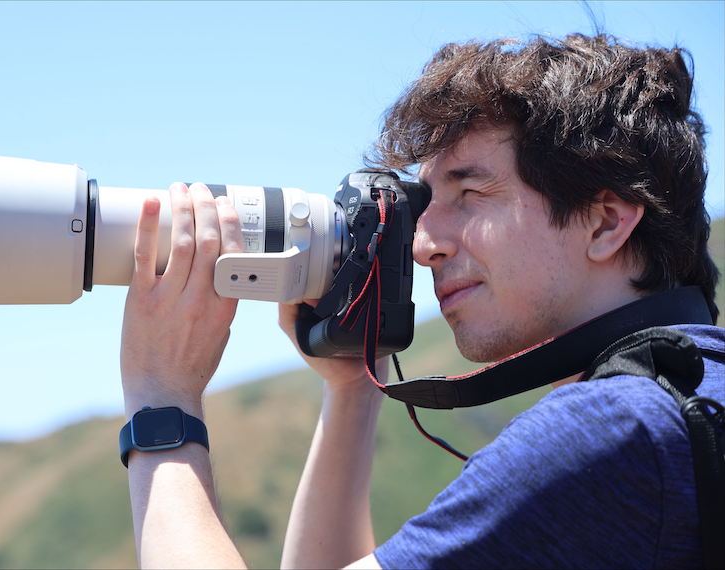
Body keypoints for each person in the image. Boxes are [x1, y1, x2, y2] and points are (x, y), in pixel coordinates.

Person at [118, 33, 723, 569]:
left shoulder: (608, 433)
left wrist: (161, 399)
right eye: (424, 204)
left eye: (472, 193)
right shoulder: (687, 392)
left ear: (605, 222)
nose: (424, 244)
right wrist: (356, 385)